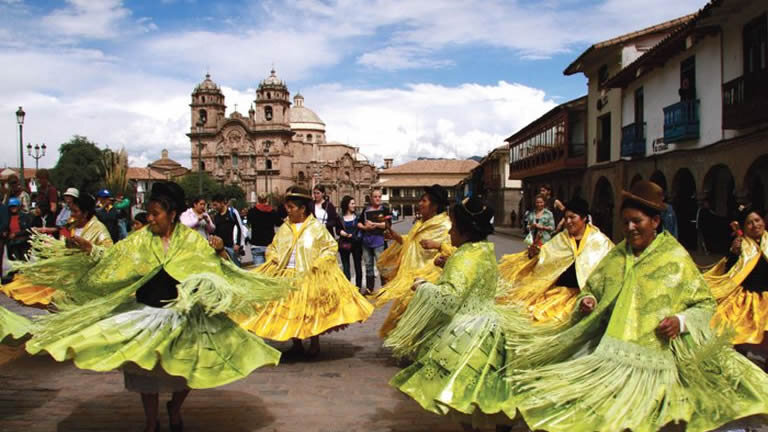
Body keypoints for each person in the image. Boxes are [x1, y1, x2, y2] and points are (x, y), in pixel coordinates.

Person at [18, 182, 292, 432]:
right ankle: (151, 422)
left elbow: (221, 272)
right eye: (148, 213)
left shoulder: (192, 242)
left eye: (155, 214)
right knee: (146, 371)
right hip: (147, 313)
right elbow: (114, 257)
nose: (149, 218)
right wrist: (90, 249)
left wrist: (220, 251)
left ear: (172, 214)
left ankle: (175, 406)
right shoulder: (140, 240)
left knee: (190, 367)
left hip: (183, 317)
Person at [501, 180, 768, 432]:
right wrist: (588, 301)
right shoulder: (616, 256)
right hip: (609, 351)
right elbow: (592, 289)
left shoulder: (675, 257)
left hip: (659, 356)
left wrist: (680, 321)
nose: (630, 228)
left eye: (637, 221)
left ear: (655, 222)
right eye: (625, 221)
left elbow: (704, 303)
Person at [385, 196, 514, 430]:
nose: (450, 231)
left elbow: (450, 299)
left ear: (465, 230)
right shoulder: (484, 251)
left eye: (454, 226)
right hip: (490, 328)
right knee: (485, 392)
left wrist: (423, 286)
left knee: (460, 393)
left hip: (467, 334)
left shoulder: (464, 257)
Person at [236, 186, 374, 358]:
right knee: (291, 311)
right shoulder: (285, 227)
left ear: (302, 209)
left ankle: (314, 343)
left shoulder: (315, 227)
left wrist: (321, 262)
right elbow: (273, 246)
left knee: (311, 310)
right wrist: (273, 256)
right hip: (287, 275)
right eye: (287, 207)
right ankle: (297, 343)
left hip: (309, 275)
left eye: (291, 207)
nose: (288, 210)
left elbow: (330, 247)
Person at [497, 197, 614, 323]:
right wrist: (533, 255)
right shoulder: (561, 239)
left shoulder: (601, 242)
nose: (568, 222)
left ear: (584, 218)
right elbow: (545, 259)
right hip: (557, 293)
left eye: (572, 217)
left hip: (585, 297)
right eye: (566, 218)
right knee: (535, 317)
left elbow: (610, 271)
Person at [3, 193, 113, 307]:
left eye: (75, 211)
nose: (72, 214)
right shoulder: (71, 224)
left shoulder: (99, 229)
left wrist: (88, 247)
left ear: (85, 213)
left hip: (84, 277)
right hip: (66, 272)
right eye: (71, 211)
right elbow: (63, 242)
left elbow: (109, 254)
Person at [373, 185, 453, 338]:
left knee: (417, 316)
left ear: (434, 206)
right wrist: (395, 236)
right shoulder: (420, 223)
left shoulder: (445, 226)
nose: (419, 204)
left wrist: (438, 245)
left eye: (424, 201)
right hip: (411, 277)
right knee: (403, 313)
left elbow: (455, 252)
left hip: (429, 279)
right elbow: (411, 242)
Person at [706, 208, 768, 364]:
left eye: (757, 220)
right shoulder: (741, 246)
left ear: (763, 221)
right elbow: (730, 272)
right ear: (744, 228)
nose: (755, 225)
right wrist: (733, 253)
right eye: (749, 223)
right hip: (749, 298)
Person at [358, 188, 389, 293]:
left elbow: (387, 225)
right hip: (366, 241)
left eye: (379, 197)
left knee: (381, 265)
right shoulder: (366, 210)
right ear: (371, 198)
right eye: (375, 197)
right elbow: (359, 222)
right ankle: (369, 288)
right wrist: (365, 227)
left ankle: (384, 288)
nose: (377, 199)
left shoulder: (385, 209)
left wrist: (375, 224)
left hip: (379, 241)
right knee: (368, 265)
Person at [247, 193, 283, 266]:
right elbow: (279, 223)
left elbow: (249, 221)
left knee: (259, 271)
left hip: (256, 244)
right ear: (267, 199)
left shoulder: (252, 211)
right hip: (269, 245)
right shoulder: (272, 212)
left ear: (258, 199)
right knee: (270, 270)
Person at [336, 195, 363, 290]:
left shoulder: (358, 216)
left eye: (354, 203)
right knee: (346, 267)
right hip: (344, 243)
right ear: (347, 205)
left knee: (358, 266)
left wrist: (358, 236)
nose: (354, 205)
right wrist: (344, 234)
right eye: (352, 203)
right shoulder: (340, 217)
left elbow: (361, 228)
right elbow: (338, 230)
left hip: (356, 244)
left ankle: (358, 287)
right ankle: (348, 288)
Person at [211, 194, 243, 266]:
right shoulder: (216, 217)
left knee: (235, 267)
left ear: (222, 203)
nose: (214, 207)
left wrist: (238, 244)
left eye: (215, 205)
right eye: (213, 205)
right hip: (221, 248)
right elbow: (216, 231)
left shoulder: (232, 212)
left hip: (232, 247)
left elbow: (240, 228)